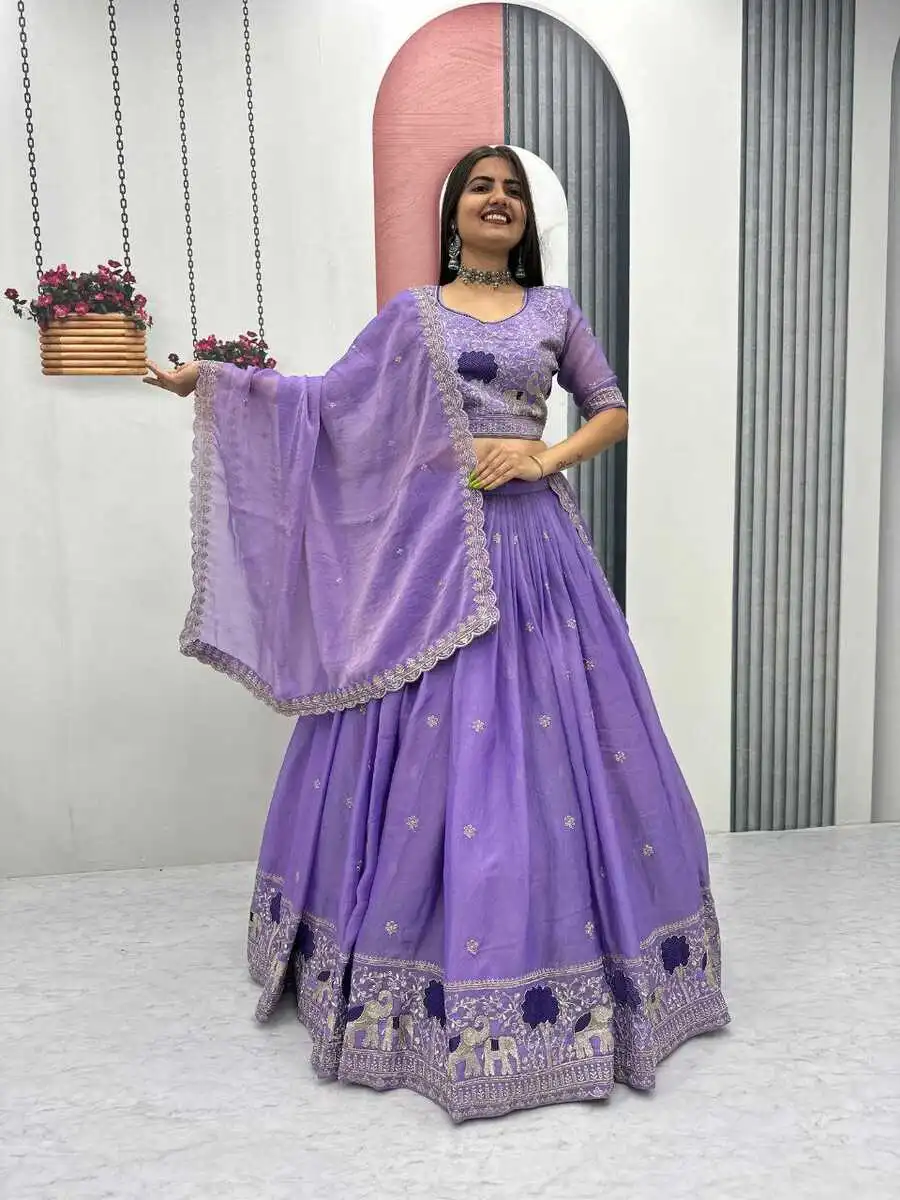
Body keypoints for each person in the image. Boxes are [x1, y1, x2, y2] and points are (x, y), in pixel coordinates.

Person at [144, 145, 729, 1122]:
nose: (497, 201)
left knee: (556, 745)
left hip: (536, 555)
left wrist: (544, 458)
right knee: (425, 743)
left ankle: (582, 966)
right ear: (454, 212)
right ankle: (388, 961)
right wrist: (218, 383)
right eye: (480, 188)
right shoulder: (412, 315)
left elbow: (613, 411)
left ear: (526, 219)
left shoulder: (556, 312)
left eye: (512, 191)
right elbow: (330, 404)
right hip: (428, 560)